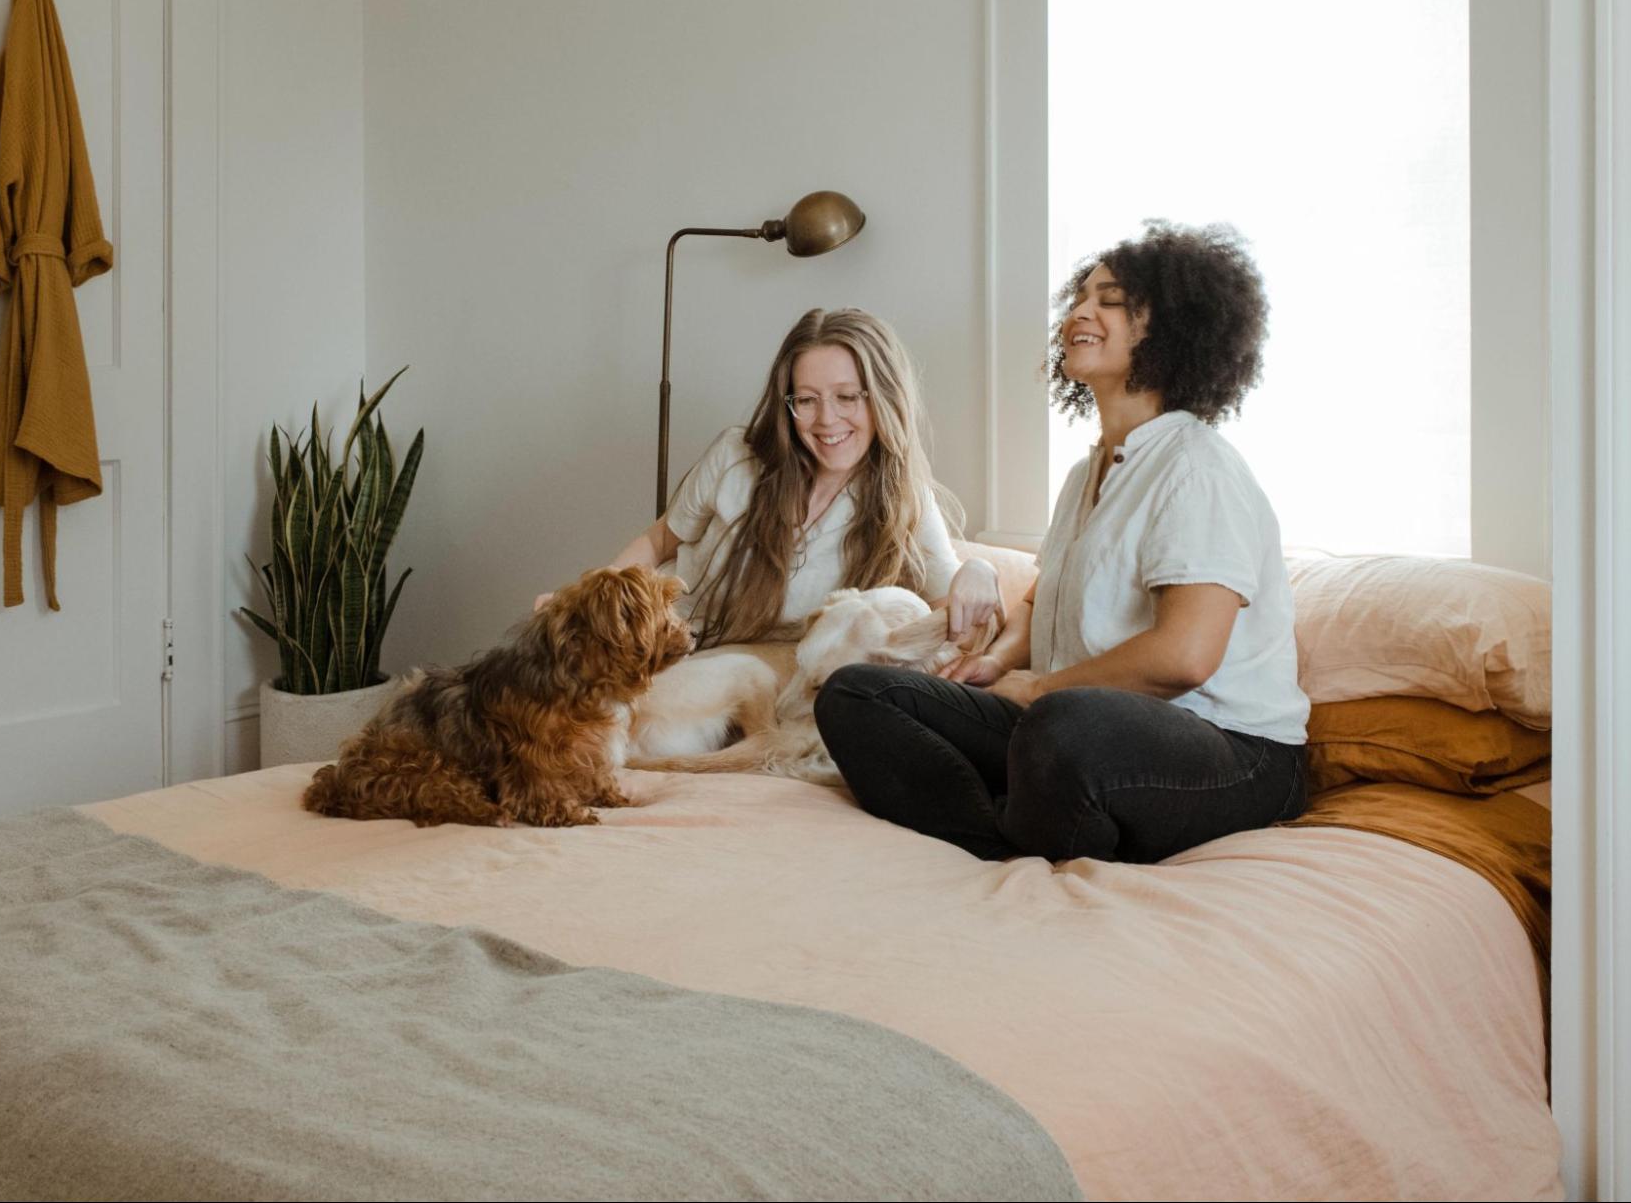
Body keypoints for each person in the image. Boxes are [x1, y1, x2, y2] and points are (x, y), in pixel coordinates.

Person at [815, 223, 1310, 863]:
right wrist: (993, 665)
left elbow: (1185, 656)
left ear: (1171, 326)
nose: (1079, 311)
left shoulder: (1196, 468)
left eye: (1108, 299)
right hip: (1071, 726)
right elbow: (1039, 600)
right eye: (1080, 297)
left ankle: (1030, 815)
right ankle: (1000, 840)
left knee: (1062, 727)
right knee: (858, 693)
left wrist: (1041, 690)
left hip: (1233, 753)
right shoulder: (1088, 474)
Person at [555, 307, 1000, 647]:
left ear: (883, 398)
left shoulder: (904, 498)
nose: (827, 420)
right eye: (806, 400)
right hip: (675, 650)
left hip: (772, 686)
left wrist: (980, 569)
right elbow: (657, 543)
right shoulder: (735, 456)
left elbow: (954, 612)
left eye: (847, 397)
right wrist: (583, 604)